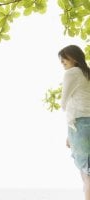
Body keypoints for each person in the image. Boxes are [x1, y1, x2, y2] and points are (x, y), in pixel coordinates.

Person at [59, 44, 90, 200]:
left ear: (74, 57)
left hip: (80, 124)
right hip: (84, 124)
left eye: (64, 58)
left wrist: (72, 130)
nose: (62, 62)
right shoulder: (87, 73)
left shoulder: (71, 73)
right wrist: (69, 134)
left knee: (86, 174)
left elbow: (64, 104)